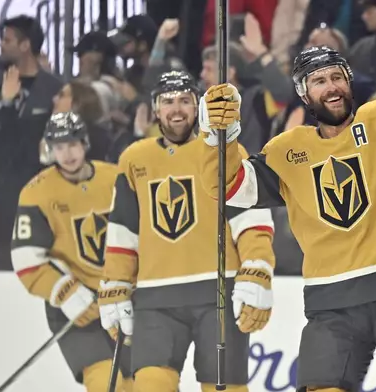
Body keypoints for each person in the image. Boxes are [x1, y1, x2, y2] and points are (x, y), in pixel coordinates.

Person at [194, 2, 376, 390]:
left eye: (336, 77)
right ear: (303, 93)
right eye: (318, 81)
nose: (331, 87)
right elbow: (234, 190)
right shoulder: (286, 149)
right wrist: (219, 137)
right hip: (332, 303)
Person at [97, 70, 275, 392]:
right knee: (150, 386)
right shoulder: (134, 159)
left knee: (225, 389)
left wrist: (257, 266)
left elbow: (250, 220)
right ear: (155, 109)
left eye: (184, 101)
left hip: (219, 293)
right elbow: (123, 233)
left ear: (198, 108)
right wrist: (116, 285)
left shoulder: (222, 150)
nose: (176, 109)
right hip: (155, 298)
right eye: (167, 101)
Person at [10, 112, 132, 391]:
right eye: (59, 147)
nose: (67, 154)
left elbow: (144, 235)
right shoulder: (36, 193)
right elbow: (26, 259)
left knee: (147, 382)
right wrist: (66, 293)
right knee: (106, 384)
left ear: (85, 143)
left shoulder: (116, 178)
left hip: (126, 300)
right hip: (79, 308)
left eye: (73, 144)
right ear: (50, 150)